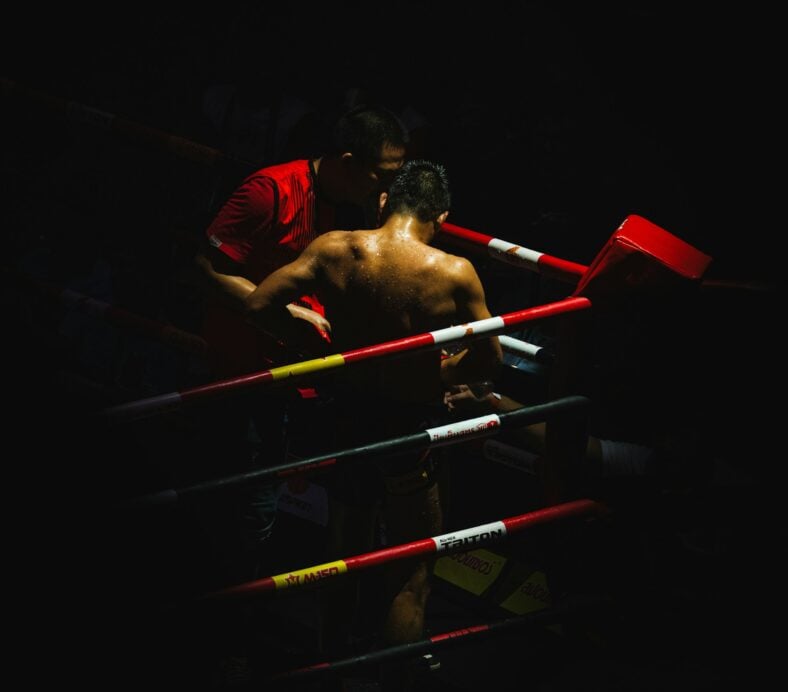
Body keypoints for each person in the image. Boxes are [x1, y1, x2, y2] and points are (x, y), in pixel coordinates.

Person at [244, 160, 503, 689]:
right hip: (408, 422)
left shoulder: (335, 247)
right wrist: (442, 373)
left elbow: (259, 302)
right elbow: (488, 361)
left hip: (348, 410)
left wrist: (310, 336)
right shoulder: (453, 272)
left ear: (385, 202)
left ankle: (333, 671)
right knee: (411, 568)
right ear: (442, 216)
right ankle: (392, 679)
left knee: (347, 554)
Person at [186, 104, 409, 591]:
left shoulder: (356, 205)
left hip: (302, 373)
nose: (387, 186)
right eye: (382, 173)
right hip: (245, 372)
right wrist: (282, 314)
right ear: (348, 160)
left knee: (285, 506)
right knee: (249, 512)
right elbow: (207, 269)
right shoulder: (270, 191)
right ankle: (223, 635)